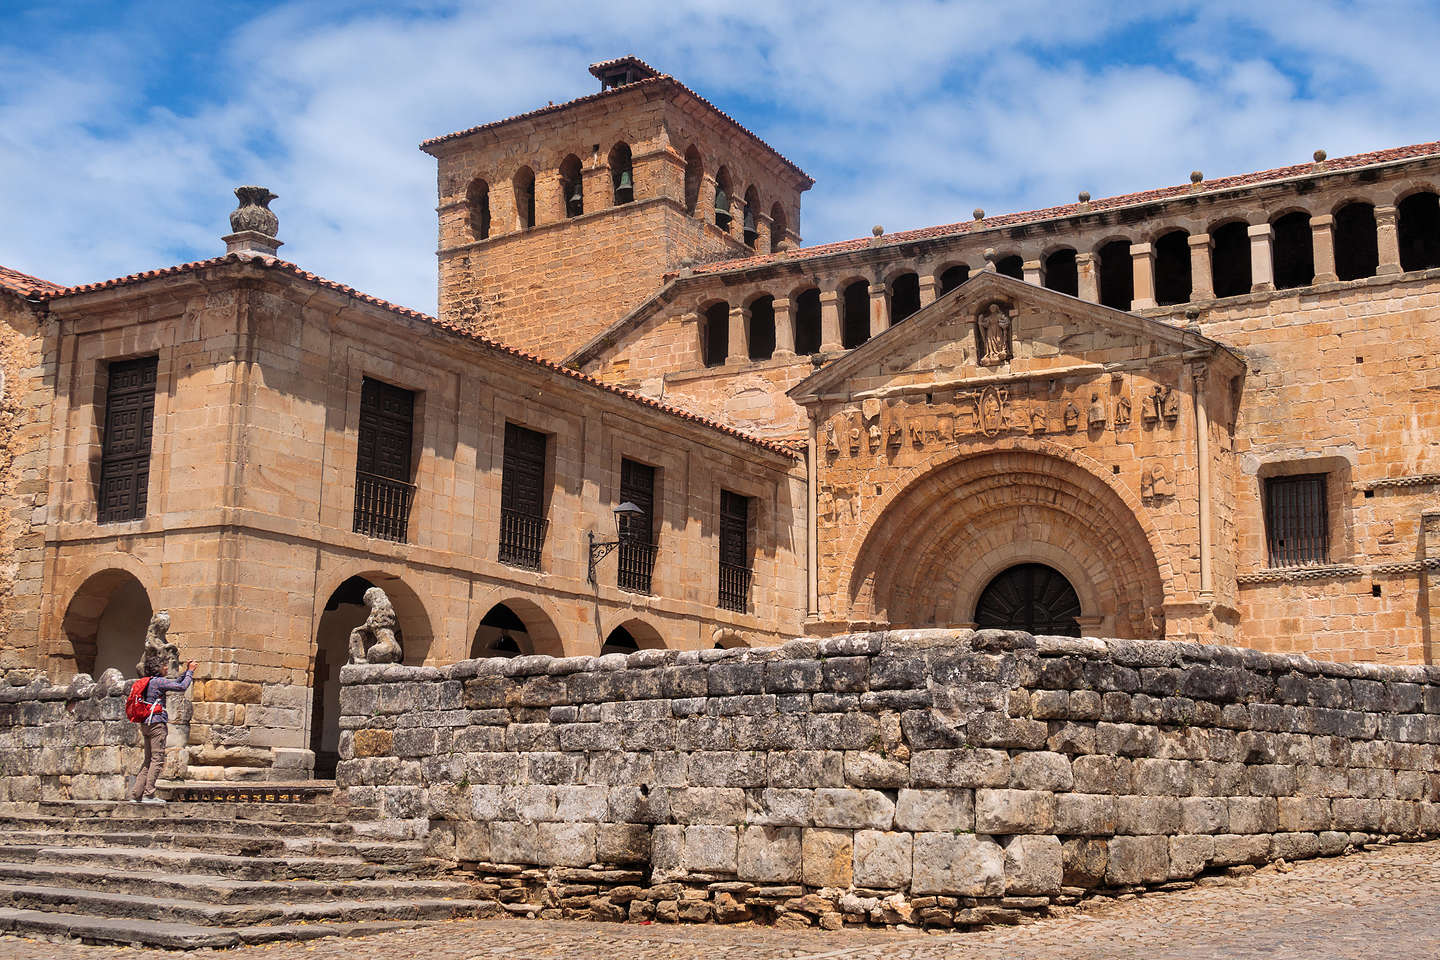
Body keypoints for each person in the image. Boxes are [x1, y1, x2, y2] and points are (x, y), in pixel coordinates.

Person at [129, 655, 195, 803]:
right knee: (157, 759)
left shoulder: (149, 682)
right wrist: (190, 672)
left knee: (148, 760)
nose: (167, 668)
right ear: (158, 668)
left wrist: (186, 671)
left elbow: (175, 682)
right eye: (164, 665)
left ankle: (136, 794)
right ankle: (149, 794)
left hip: (146, 724)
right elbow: (181, 687)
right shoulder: (158, 682)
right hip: (157, 724)